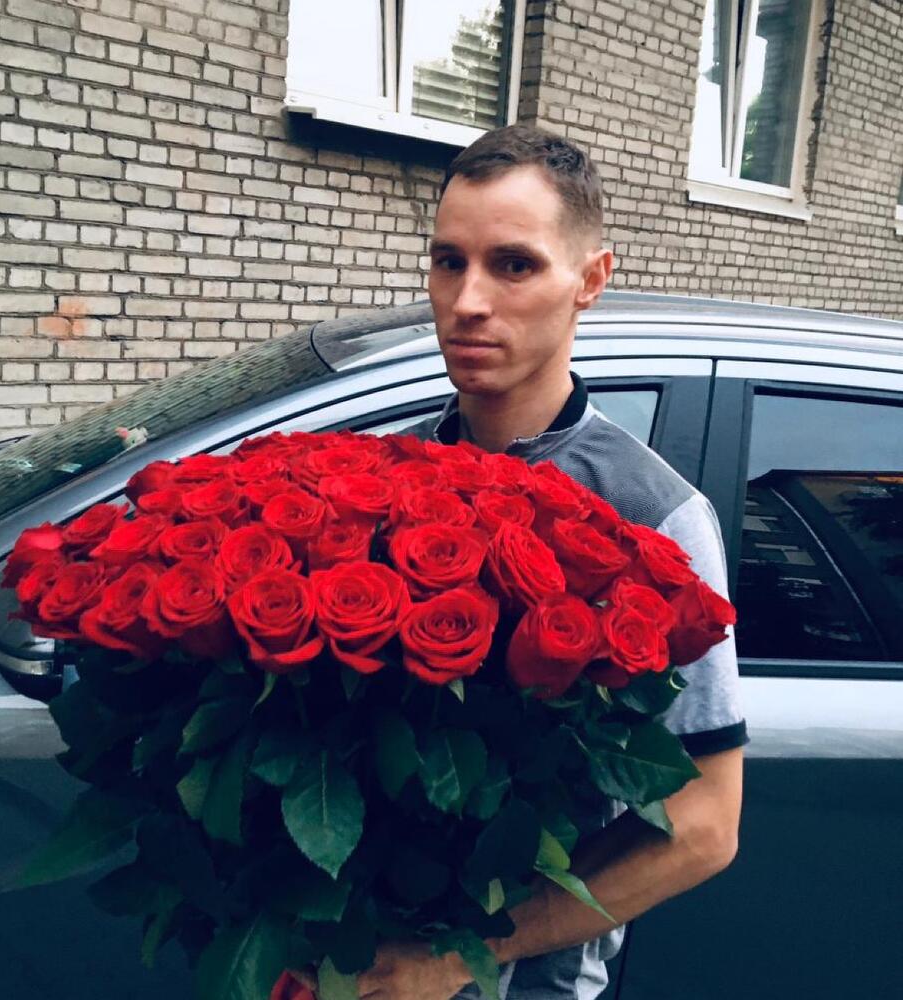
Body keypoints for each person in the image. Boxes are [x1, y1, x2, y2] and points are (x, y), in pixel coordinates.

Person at [355, 125, 748, 999]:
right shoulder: (386, 476)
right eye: (448, 262)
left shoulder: (653, 515)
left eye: (514, 265)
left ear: (590, 281)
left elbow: (703, 824)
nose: (467, 300)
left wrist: (454, 957)